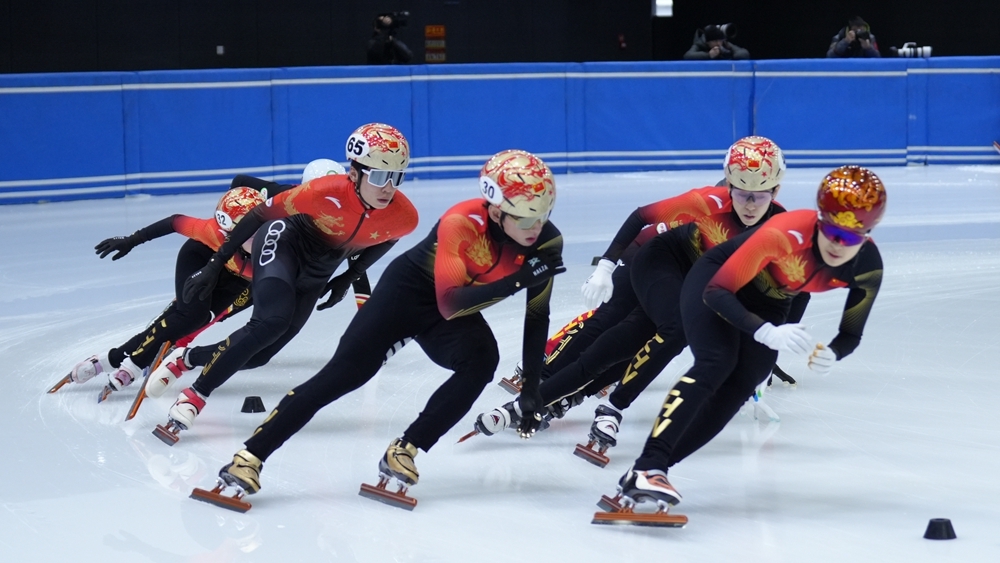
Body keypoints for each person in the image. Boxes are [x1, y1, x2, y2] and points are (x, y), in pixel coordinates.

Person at [195, 149, 564, 510]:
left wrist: (532, 389)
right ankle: (249, 457)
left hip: (454, 310)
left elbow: (537, 315)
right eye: (526, 219)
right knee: (341, 377)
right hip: (407, 296)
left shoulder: (546, 242)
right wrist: (518, 280)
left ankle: (406, 449)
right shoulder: (461, 221)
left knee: (482, 362)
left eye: (543, 215)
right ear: (496, 211)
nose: (536, 228)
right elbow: (450, 301)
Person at [471, 137, 796, 456]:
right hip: (654, 259)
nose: (749, 205)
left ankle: (537, 403)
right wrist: (606, 266)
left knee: (632, 344)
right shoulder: (707, 202)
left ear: (775, 192)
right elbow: (642, 217)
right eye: (740, 194)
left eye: (759, 196)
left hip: (692, 285)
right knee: (633, 323)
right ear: (728, 187)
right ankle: (594, 398)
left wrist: (767, 346)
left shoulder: (781, 235)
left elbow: (785, 296)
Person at [603, 165, 885, 518]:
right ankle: (650, 464)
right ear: (819, 219)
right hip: (717, 280)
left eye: (851, 238)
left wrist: (835, 351)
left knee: (743, 382)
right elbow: (717, 291)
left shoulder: (868, 267)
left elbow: (851, 333)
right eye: (831, 231)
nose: (837, 245)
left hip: (770, 302)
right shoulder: (786, 232)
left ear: (868, 234)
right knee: (716, 361)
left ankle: (648, 471)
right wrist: (764, 331)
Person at [148, 123, 419, 444]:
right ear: (354, 172)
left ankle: (187, 359)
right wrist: (215, 263)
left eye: (396, 177)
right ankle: (194, 398)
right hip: (282, 245)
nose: (388, 187)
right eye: (379, 176)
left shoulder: (404, 216)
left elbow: (386, 239)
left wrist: (347, 277)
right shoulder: (322, 191)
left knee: (260, 354)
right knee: (271, 322)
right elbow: (257, 215)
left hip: (318, 272)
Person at [684, 25, 749, 60]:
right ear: (708, 42)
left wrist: (731, 54)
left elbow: (744, 53)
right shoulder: (700, 44)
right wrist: (708, 55)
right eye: (715, 41)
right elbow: (687, 55)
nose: (718, 43)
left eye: (720, 40)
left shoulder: (724, 43)